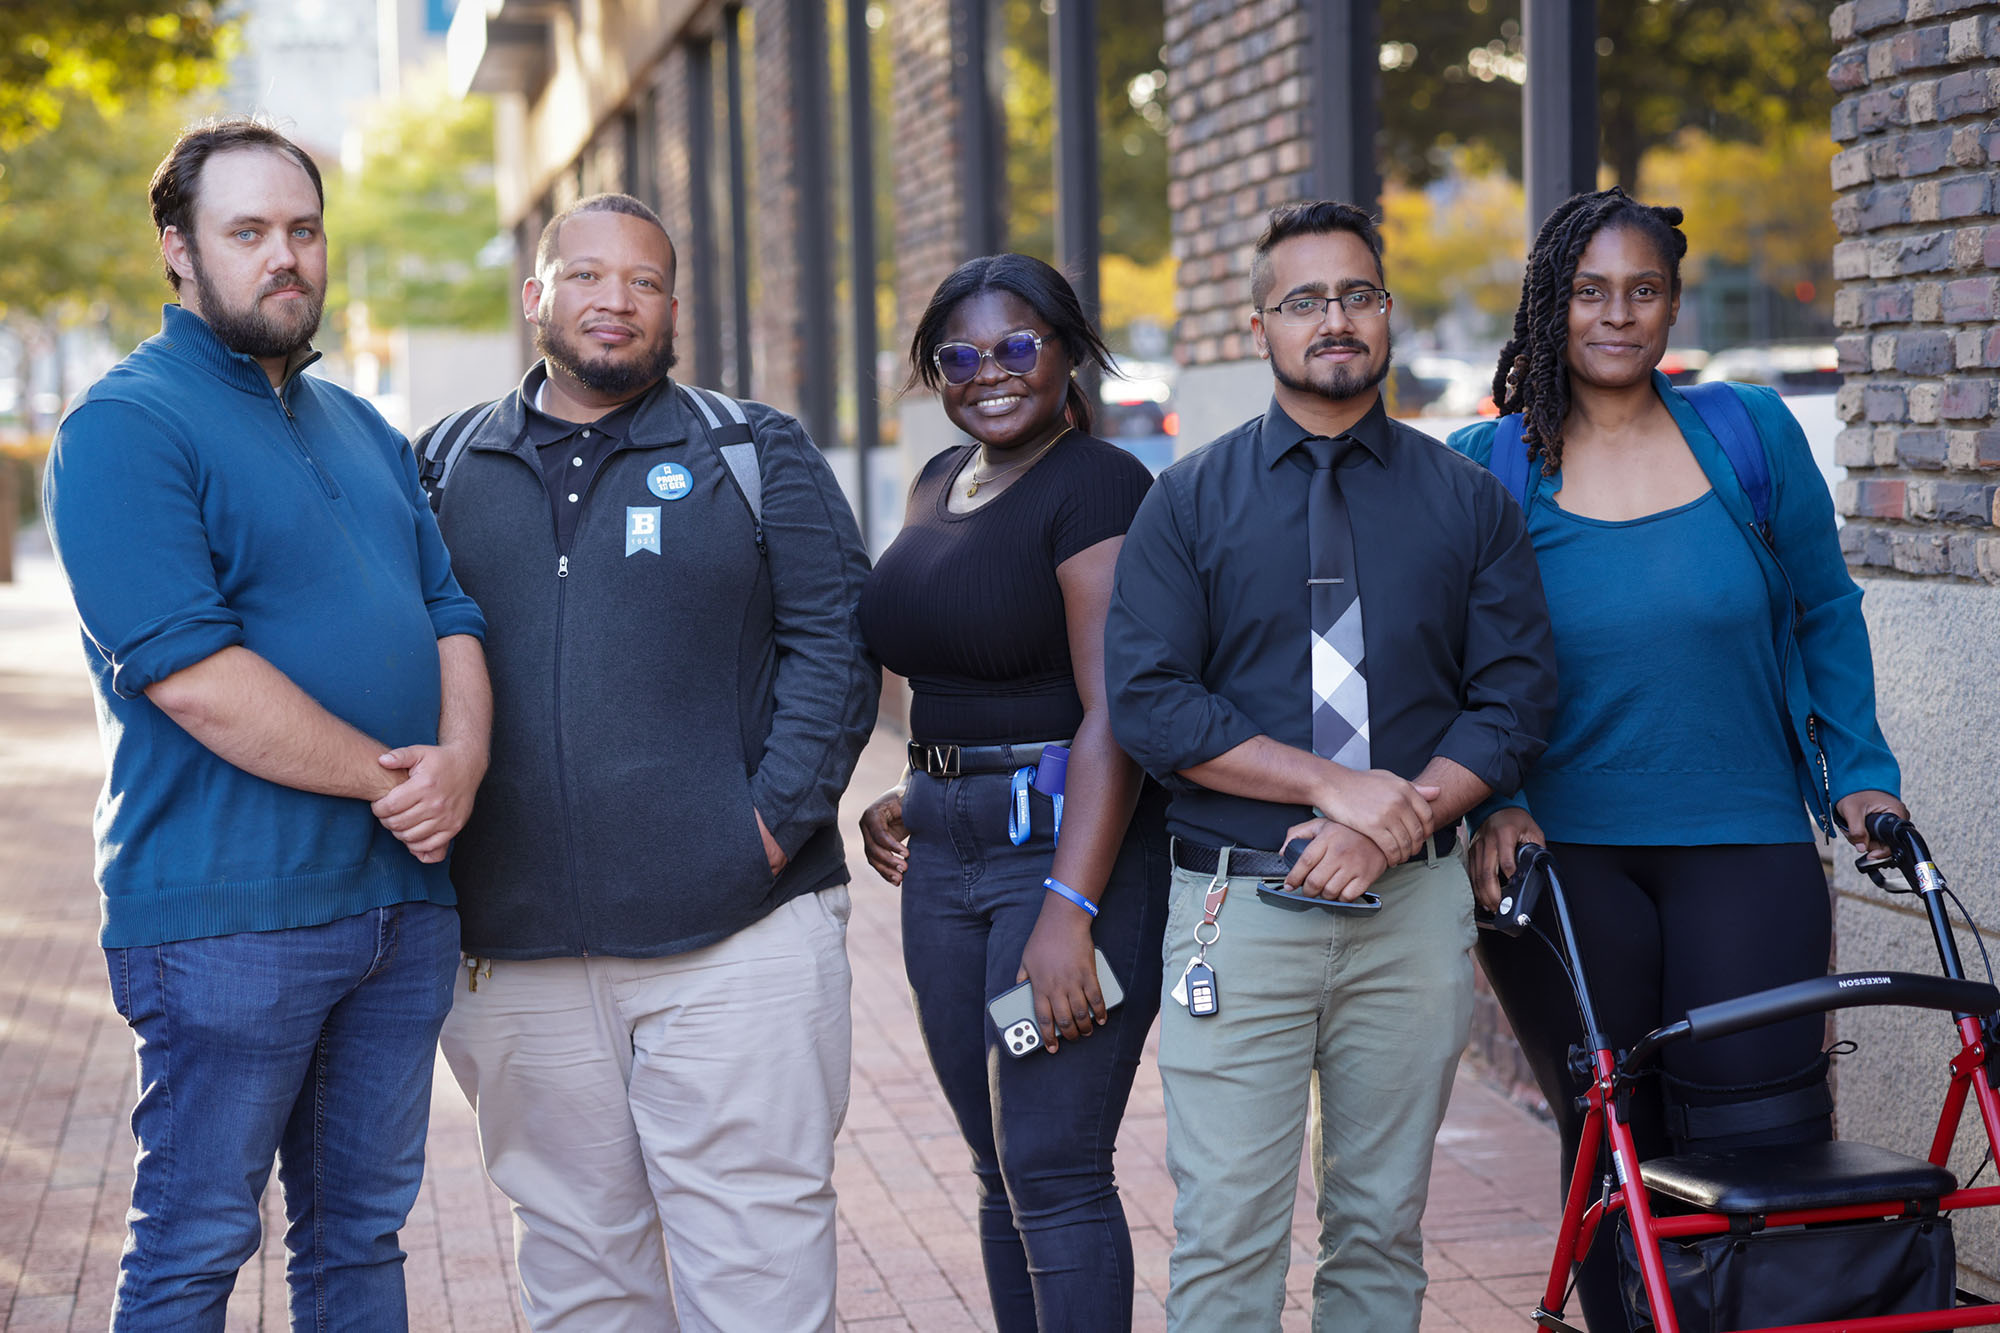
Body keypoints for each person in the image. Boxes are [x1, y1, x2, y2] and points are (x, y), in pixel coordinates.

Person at [41, 118, 490, 1331]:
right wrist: (393, 781)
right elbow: (188, 671)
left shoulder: (363, 427)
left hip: (398, 906)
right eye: (248, 233)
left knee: (359, 1243)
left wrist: (461, 764)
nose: (284, 257)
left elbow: (452, 610)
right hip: (227, 920)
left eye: (301, 230)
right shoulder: (125, 427)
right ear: (179, 251)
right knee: (193, 1247)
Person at [1449, 186, 1906, 1327]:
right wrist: (1490, 801)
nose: (1616, 314)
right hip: (1560, 859)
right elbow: (1447, 660)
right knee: (1611, 1139)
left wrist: (1857, 768)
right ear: (1547, 306)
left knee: (1762, 1139)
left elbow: (1821, 610)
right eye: (1588, 291)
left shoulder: (1750, 436)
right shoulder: (1484, 466)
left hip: (1742, 839)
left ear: (1669, 305)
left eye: (1641, 290)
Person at [423, 192, 877, 1333]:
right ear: (537, 297)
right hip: (515, 953)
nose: (611, 300)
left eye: (641, 281)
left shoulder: (749, 448)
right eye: (584, 275)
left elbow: (835, 645)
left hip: (738, 939)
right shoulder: (438, 467)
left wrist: (761, 830)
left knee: (757, 1266)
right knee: (578, 1274)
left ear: (673, 308)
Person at [1103, 201, 1557, 1331]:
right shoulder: (1186, 499)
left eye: (1355, 294)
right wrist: (1326, 784)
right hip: (1235, 908)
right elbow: (1149, 702)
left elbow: (1514, 696)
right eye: (1303, 300)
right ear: (1259, 326)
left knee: (1378, 1230)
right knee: (1224, 1236)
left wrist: (1385, 824)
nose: (1333, 318)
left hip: (1411, 914)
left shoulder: (1464, 498)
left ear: (1387, 314)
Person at [856, 254, 1168, 1332]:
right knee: (996, 1157)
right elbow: (950, 666)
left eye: (1018, 347)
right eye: (960, 355)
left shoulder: (1095, 484)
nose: (989, 373)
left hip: (1057, 863)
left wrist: (1069, 914)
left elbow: (1113, 711)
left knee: (1052, 1158)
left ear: (1067, 352)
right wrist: (917, 783)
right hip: (942, 859)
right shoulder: (940, 479)